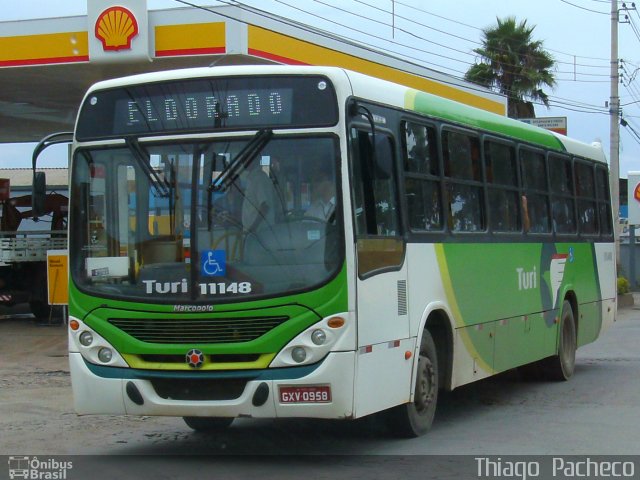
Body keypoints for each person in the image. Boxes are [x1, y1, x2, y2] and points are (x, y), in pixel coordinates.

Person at [241, 156, 283, 232]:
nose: (243, 163)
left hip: (260, 233)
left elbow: (265, 206)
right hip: (253, 232)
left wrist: (253, 228)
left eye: (246, 159)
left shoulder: (259, 178)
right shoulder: (252, 178)